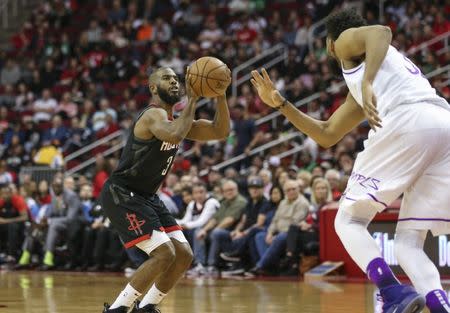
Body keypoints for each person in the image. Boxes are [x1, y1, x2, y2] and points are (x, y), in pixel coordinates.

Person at [250, 8, 450, 313]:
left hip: (408, 119)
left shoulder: (344, 43)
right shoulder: (368, 81)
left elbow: (381, 31)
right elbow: (328, 133)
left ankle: (392, 292)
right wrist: (280, 104)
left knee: (348, 220)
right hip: (442, 124)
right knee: (408, 242)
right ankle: (440, 307)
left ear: (331, 43)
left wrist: (367, 81)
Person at [100, 66, 231, 313]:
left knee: (183, 254)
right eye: (166, 78)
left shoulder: (177, 121)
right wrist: (193, 99)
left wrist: (221, 94)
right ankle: (117, 309)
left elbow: (220, 131)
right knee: (163, 253)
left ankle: (148, 307)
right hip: (122, 193)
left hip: (147, 196)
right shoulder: (152, 116)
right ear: (153, 87)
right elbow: (173, 136)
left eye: (176, 79)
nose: (174, 82)